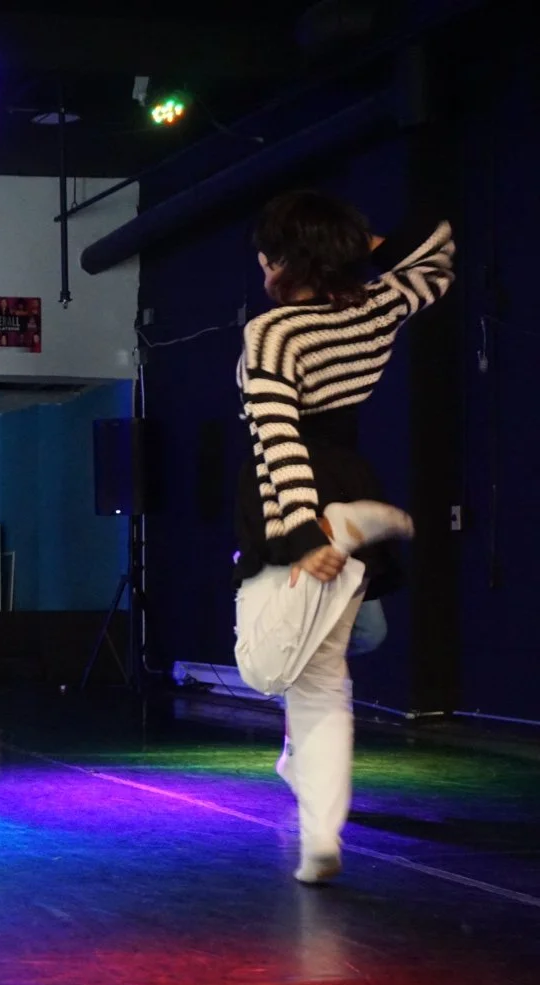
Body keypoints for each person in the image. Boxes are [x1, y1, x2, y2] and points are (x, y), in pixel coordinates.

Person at [230, 192, 454, 885]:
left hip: (296, 495)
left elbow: (279, 435)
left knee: (263, 668)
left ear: (284, 260)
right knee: (324, 681)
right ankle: (320, 836)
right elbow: (437, 250)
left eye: (269, 254)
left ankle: (353, 528)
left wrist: (302, 533)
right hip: (350, 473)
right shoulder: (379, 305)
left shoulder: (274, 333)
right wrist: (358, 247)